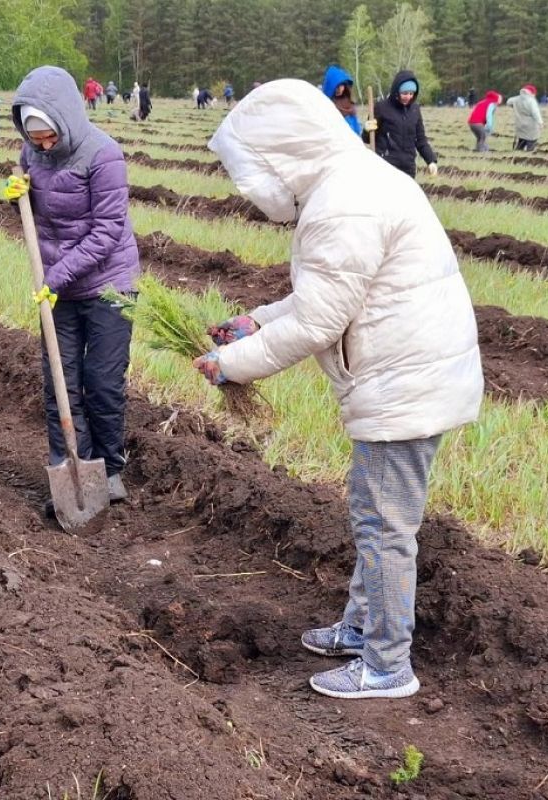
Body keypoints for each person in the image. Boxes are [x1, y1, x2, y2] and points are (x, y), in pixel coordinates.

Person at [202, 79, 482, 700]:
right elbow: (327, 296)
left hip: (403, 383)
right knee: (371, 508)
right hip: (408, 373)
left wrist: (232, 365)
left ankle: (387, 664)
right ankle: (361, 628)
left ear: (284, 153)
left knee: (384, 526)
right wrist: (255, 321)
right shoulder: (352, 182)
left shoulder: (343, 202)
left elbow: (319, 322)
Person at [5, 65, 141, 508]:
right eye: (35, 137)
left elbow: (105, 232)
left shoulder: (104, 155)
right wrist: (18, 197)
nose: (43, 144)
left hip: (108, 285)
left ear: (65, 118)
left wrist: (54, 278)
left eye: (48, 135)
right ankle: (74, 467)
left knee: (101, 381)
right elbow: (37, 224)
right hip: (58, 287)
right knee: (59, 382)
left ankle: (111, 468)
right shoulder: (31, 155)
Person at [365, 70, 437, 178]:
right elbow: (368, 139)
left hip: (408, 168)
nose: (408, 97)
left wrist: (431, 160)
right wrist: (366, 130)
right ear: (396, 91)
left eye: (411, 93)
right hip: (386, 167)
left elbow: (420, 140)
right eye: (404, 93)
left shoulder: (415, 110)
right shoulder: (381, 108)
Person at [322, 64, 361, 135]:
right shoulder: (326, 108)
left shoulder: (349, 106)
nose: (340, 89)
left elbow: (357, 131)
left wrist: (367, 130)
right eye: (337, 86)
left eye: (342, 85)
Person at [508, 84, 543, 151]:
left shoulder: (516, 99)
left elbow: (508, 102)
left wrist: (514, 106)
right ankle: (529, 153)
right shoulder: (531, 101)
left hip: (520, 124)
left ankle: (518, 152)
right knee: (532, 140)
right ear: (532, 93)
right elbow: (535, 112)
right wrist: (540, 122)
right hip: (531, 126)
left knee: (521, 139)